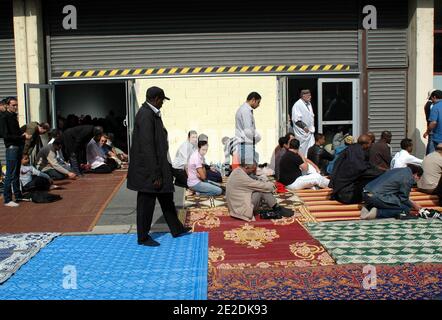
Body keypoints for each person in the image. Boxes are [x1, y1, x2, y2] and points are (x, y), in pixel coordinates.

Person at [127, 86, 190, 247]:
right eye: (162, 99)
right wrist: (155, 174)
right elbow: (148, 147)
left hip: (158, 167)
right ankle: (143, 237)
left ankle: (176, 228)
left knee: (166, 198)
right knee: (146, 204)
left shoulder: (151, 113)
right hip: (148, 171)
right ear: (156, 99)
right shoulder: (146, 115)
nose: (163, 103)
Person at [226, 162, 293, 222]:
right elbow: (264, 187)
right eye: (253, 169)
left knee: (261, 188)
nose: (253, 171)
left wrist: (261, 180)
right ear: (246, 167)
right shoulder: (241, 177)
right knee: (262, 190)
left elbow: (253, 181)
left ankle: (277, 207)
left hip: (235, 206)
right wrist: (273, 185)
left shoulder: (237, 171)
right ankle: (277, 208)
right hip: (240, 210)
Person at [330, 134, 383, 204]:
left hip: (339, 191)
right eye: (371, 143)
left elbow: (366, 166)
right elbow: (361, 170)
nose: (372, 145)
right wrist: (382, 174)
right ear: (365, 144)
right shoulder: (357, 152)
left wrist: (380, 170)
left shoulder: (351, 149)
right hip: (347, 194)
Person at [2, 97, 32, 207]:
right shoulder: (4, 117)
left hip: (17, 146)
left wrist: (23, 135)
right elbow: (5, 135)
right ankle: (7, 199)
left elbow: (16, 132)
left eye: (16, 105)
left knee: (16, 173)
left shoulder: (13, 116)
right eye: (13, 105)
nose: (15, 107)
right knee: (10, 173)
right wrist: (22, 137)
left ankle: (18, 195)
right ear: (7, 105)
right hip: (12, 147)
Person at [235, 92, 262, 166]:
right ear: (253, 100)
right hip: (246, 143)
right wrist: (256, 139)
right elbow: (248, 130)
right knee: (248, 168)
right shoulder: (245, 110)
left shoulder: (245, 109)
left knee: (248, 167)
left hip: (246, 142)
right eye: (258, 102)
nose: (258, 105)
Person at [292, 89, 315, 156]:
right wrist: (305, 127)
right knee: (303, 151)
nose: (310, 97)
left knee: (310, 150)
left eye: (310, 95)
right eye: (308, 95)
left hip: (310, 132)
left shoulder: (309, 104)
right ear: (303, 96)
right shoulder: (297, 105)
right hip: (303, 133)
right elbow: (296, 120)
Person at [424, 89, 437, 154]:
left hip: (431, 128)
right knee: (432, 148)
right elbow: (434, 120)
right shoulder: (432, 105)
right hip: (433, 128)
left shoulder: (427, 104)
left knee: (430, 146)